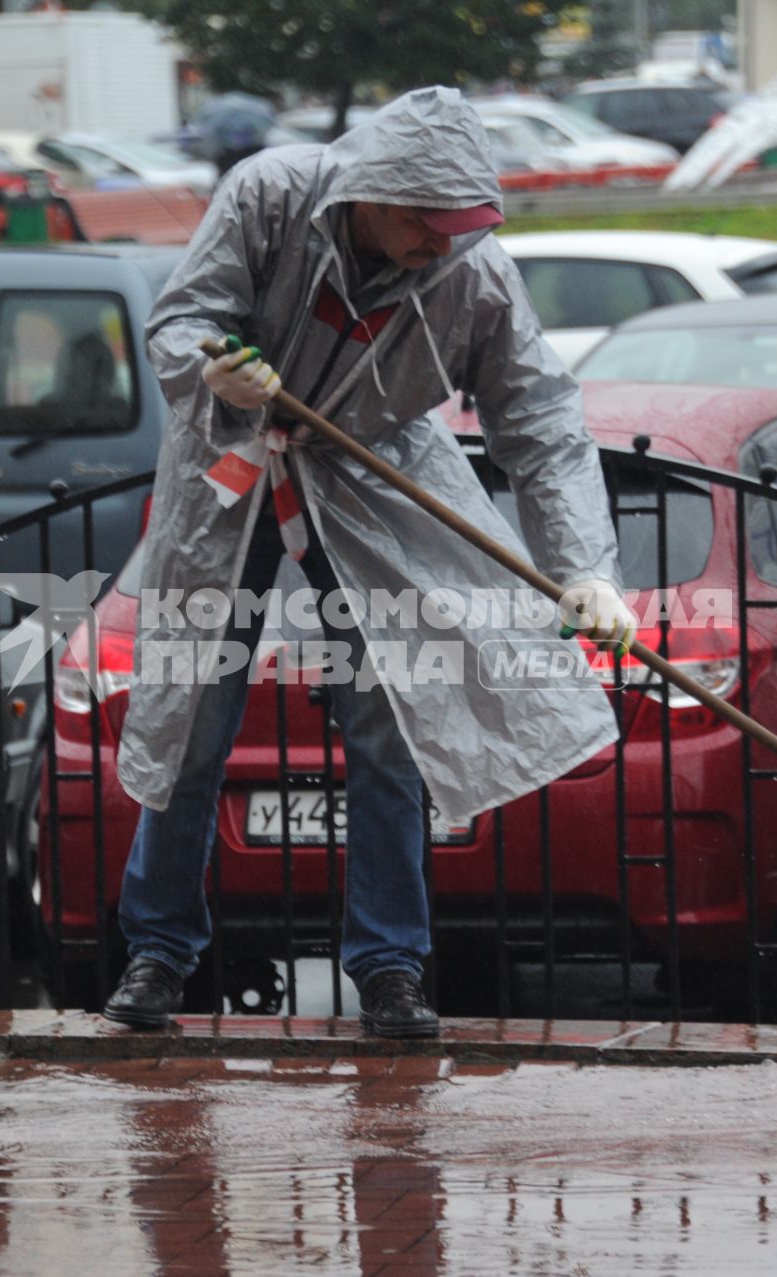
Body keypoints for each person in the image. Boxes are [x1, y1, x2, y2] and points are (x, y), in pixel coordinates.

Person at [105, 86, 637, 1037]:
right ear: (377, 195)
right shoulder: (266, 197)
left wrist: (586, 566)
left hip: (370, 475)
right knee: (193, 708)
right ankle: (157, 952)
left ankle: (391, 965)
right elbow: (181, 319)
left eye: (461, 229)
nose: (445, 246)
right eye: (429, 228)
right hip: (231, 468)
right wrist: (210, 370)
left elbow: (544, 423)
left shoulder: (473, 276)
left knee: (393, 710)